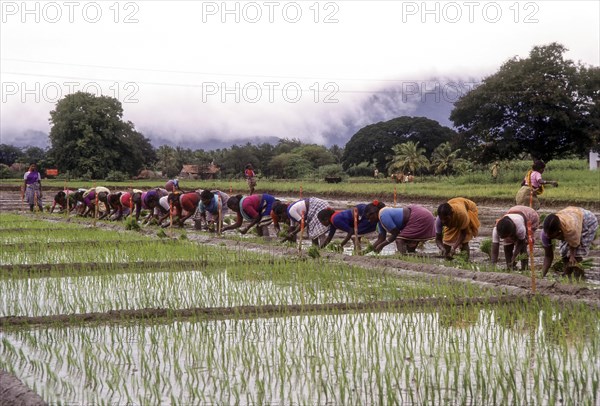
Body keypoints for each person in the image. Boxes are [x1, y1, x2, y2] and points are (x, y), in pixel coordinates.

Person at [540, 206, 598, 278]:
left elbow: (574, 243)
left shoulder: (570, 229)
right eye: (547, 235)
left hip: (587, 220)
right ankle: (568, 274)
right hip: (572, 215)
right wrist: (542, 276)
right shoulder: (545, 234)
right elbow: (548, 256)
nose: (549, 237)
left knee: (577, 254)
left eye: (552, 236)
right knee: (564, 252)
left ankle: (577, 276)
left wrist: (572, 256)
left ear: (559, 230)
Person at [364, 201, 437, 254]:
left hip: (419, 217)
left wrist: (382, 245)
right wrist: (365, 252)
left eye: (369, 218)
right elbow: (381, 239)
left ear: (373, 213)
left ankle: (402, 259)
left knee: (399, 240)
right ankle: (411, 256)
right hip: (416, 218)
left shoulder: (383, 215)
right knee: (409, 247)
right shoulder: (380, 221)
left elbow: (395, 233)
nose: (369, 221)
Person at [491, 205, 539, 270]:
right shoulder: (496, 230)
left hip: (530, 216)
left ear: (513, 231)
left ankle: (524, 268)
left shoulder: (520, 228)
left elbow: (520, 243)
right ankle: (510, 267)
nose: (503, 238)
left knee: (523, 246)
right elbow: (495, 248)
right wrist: (493, 265)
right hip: (514, 211)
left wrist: (514, 260)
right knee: (507, 245)